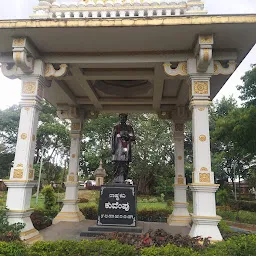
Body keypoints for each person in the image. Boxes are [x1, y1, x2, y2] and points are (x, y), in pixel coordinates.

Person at [111, 114, 135, 183]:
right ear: (119, 118)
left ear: (126, 119)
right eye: (121, 118)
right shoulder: (116, 127)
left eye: (124, 118)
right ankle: (116, 179)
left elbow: (133, 137)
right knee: (117, 164)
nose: (122, 119)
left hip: (126, 149)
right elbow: (112, 139)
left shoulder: (129, 128)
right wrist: (113, 149)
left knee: (125, 165)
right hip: (117, 149)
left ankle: (124, 178)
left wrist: (128, 136)